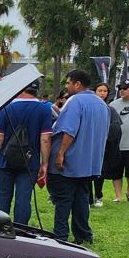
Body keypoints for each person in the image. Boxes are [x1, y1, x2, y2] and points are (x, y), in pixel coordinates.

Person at [47, 69, 107, 246]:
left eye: (68, 83)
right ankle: (83, 234)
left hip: (71, 160)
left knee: (63, 199)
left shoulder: (75, 101)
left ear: (77, 84)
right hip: (89, 162)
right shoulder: (101, 104)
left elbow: (69, 130)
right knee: (82, 198)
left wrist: (60, 153)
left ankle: (60, 235)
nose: (66, 86)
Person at [0, 81, 53, 226]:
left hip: (5, 161)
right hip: (30, 162)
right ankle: (21, 229)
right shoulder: (44, 109)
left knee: (3, 196)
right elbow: (45, 139)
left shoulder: (7, 108)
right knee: (24, 199)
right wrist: (45, 163)